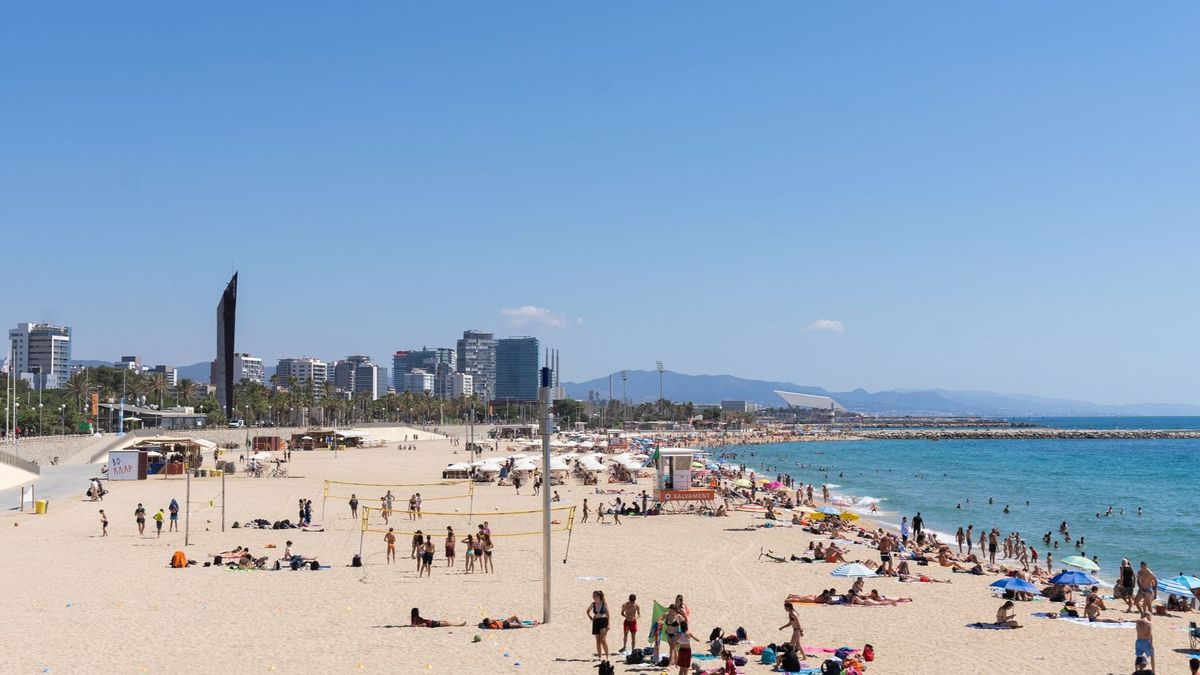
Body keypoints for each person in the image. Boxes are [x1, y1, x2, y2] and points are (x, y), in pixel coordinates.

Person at [587, 590, 610, 661]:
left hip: (603, 621)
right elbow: (587, 611)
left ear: (599, 596)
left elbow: (608, 614)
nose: (593, 597)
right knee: (597, 640)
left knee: (603, 640)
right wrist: (590, 617)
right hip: (596, 622)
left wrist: (608, 624)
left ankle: (607, 656)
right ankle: (600, 656)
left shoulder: (604, 603)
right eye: (593, 596)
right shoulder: (593, 604)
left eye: (594, 596)